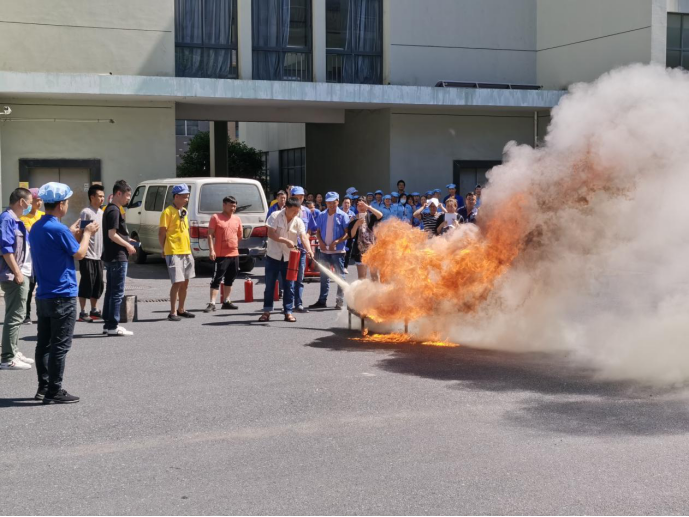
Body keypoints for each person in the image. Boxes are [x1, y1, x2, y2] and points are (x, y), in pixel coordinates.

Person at [30, 182, 99, 404]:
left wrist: (71, 233)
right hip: (63, 293)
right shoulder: (58, 229)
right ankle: (54, 390)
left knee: (44, 344)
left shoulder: (39, 226)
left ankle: (44, 386)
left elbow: (59, 246)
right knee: (60, 346)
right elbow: (79, 253)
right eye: (66, 201)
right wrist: (87, 233)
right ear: (60, 204)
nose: (67, 205)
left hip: (44, 294)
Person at [260, 197, 314, 323]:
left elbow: (304, 237)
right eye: (294, 211)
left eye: (298, 211)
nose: (296, 213)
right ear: (286, 208)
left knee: (289, 286)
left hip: (290, 258)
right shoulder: (275, 215)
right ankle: (266, 312)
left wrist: (310, 251)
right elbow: (271, 233)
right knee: (270, 285)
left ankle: (288, 312)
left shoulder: (298, 221)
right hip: (273, 256)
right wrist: (286, 241)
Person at [0, 188, 35, 371]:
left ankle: (12, 350)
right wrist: (17, 273)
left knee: (15, 315)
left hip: (21, 273)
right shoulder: (7, 219)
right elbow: (6, 248)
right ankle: (8, 358)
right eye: (29, 202)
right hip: (15, 275)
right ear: (21, 202)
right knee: (15, 316)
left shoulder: (15, 220)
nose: (30, 205)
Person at [102, 180, 137, 337]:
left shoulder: (110, 209)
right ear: (118, 193)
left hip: (111, 256)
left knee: (110, 291)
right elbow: (112, 234)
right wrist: (128, 246)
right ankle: (113, 325)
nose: (128, 198)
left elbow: (116, 234)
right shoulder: (114, 210)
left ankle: (108, 323)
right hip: (117, 256)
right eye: (127, 195)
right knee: (116, 292)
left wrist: (128, 240)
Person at [159, 184, 196, 322]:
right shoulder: (167, 212)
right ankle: (172, 312)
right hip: (173, 251)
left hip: (186, 251)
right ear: (176, 196)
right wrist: (163, 248)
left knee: (185, 283)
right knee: (177, 282)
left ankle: (181, 309)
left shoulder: (184, 211)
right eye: (184, 196)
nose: (187, 199)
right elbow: (162, 232)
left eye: (187, 196)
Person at [310, 192, 350, 310]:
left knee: (340, 276)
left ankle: (339, 301)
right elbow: (317, 230)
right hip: (324, 251)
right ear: (326, 203)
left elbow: (347, 233)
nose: (331, 205)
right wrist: (321, 242)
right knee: (324, 276)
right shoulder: (322, 215)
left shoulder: (343, 215)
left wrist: (337, 242)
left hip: (337, 252)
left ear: (338, 202)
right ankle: (322, 300)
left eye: (334, 202)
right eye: (329, 203)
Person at [205, 196, 243, 313]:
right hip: (221, 254)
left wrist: (233, 245)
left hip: (234, 254)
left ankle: (226, 301)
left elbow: (239, 236)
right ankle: (212, 303)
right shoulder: (215, 217)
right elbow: (210, 235)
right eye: (231, 205)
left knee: (230, 278)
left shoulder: (237, 219)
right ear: (224, 205)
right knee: (217, 278)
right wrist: (212, 250)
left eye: (235, 206)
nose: (233, 208)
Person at [77, 185, 105, 323]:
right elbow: (82, 233)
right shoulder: (86, 212)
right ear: (92, 197)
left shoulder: (102, 212)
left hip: (99, 255)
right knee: (87, 283)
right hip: (87, 254)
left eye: (103, 196)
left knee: (98, 283)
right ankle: (82, 312)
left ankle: (94, 309)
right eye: (99, 196)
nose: (102, 198)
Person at [287, 186, 317, 313]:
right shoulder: (286, 210)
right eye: (297, 196)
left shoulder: (307, 211)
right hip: (289, 250)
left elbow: (310, 229)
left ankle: (298, 304)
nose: (300, 198)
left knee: (300, 278)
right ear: (292, 197)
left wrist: (307, 239)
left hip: (302, 251)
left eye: (301, 196)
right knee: (289, 279)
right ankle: (288, 304)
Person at [21, 187, 44, 324]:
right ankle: (26, 314)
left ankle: (42, 313)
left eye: (41, 200)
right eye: (36, 200)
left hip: (42, 255)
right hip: (30, 256)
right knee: (29, 287)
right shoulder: (24, 217)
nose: (39, 203)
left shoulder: (42, 215)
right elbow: (32, 233)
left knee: (42, 286)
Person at [347, 199, 383, 280]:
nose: (361, 206)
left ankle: (376, 292)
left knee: (375, 276)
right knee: (362, 277)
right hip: (359, 251)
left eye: (363, 204)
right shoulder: (353, 218)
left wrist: (369, 207)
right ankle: (363, 292)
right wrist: (356, 224)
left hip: (372, 249)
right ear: (356, 207)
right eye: (358, 205)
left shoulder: (371, 216)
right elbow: (351, 235)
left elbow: (380, 215)